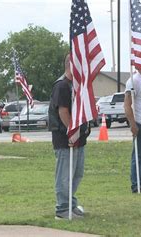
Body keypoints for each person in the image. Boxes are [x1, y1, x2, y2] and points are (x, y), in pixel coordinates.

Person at [48, 54, 90, 220]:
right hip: (65, 138)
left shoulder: (76, 86)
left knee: (76, 173)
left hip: (78, 137)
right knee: (65, 175)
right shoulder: (62, 86)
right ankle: (62, 209)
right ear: (71, 65)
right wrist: (72, 131)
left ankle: (71, 204)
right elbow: (63, 112)